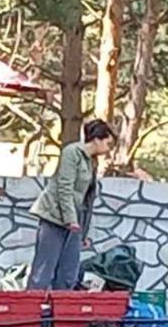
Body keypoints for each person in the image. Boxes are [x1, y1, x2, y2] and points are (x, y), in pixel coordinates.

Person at [27, 119, 115, 290]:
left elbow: (87, 199)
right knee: (44, 269)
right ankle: (32, 308)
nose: (109, 149)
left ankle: (61, 311)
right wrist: (70, 220)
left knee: (69, 272)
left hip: (75, 221)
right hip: (55, 217)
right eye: (108, 143)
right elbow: (64, 187)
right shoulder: (72, 152)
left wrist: (83, 231)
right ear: (97, 139)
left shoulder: (92, 161)